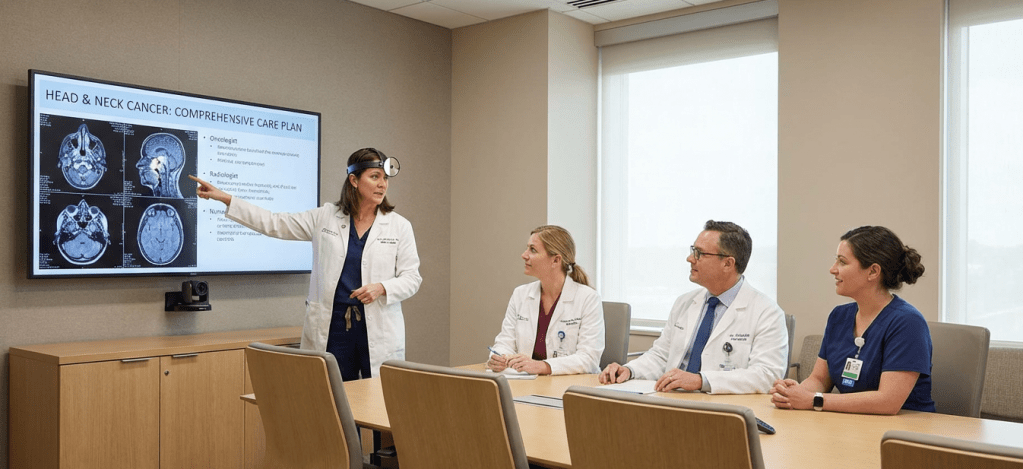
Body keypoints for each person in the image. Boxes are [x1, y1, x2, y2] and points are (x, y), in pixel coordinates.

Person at [190, 148, 421, 381]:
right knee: (331, 396)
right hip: (333, 327)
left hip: (377, 326)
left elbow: (412, 278)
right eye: (374, 177)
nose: (382, 184)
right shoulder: (325, 217)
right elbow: (274, 223)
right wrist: (226, 198)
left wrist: (382, 288)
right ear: (353, 180)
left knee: (378, 398)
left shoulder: (399, 226)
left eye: (385, 178)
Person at [599, 220, 788, 393]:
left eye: (700, 253)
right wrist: (629, 370)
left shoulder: (767, 312)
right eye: (693, 250)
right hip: (672, 400)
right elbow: (661, 356)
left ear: (728, 263)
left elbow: (767, 375)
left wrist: (701, 380)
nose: (690, 258)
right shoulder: (685, 302)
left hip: (721, 408)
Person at [770, 226, 933, 415]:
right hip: (851, 425)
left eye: (842, 262)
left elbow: (887, 402)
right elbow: (820, 380)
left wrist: (814, 400)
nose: (833, 269)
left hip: (902, 433)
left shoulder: (908, 322)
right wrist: (793, 393)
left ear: (872, 272)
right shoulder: (839, 316)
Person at [487, 225, 605, 375]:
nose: (524, 255)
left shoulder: (588, 298)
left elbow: (589, 359)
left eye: (533, 250)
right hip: (528, 383)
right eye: (527, 248)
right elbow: (505, 342)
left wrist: (543, 366)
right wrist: (499, 357)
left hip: (571, 386)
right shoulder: (520, 294)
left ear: (555, 260)